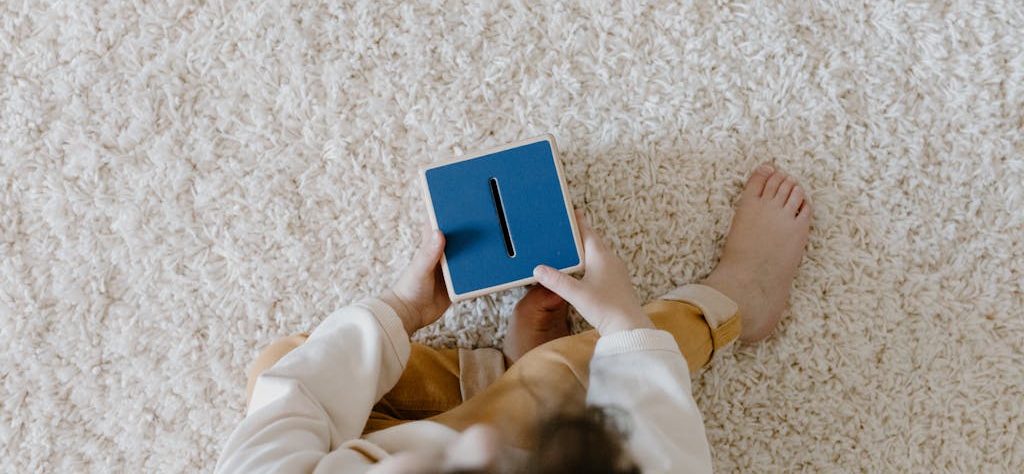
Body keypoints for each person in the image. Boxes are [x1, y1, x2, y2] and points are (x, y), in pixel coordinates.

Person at [215, 163, 812, 473]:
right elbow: (664, 456)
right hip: (544, 443)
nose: (476, 443)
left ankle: (494, 377)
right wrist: (627, 323)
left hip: (363, 447)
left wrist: (401, 310)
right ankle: (735, 301)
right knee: (567, 373)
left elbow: (293, 400)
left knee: (286, 365)